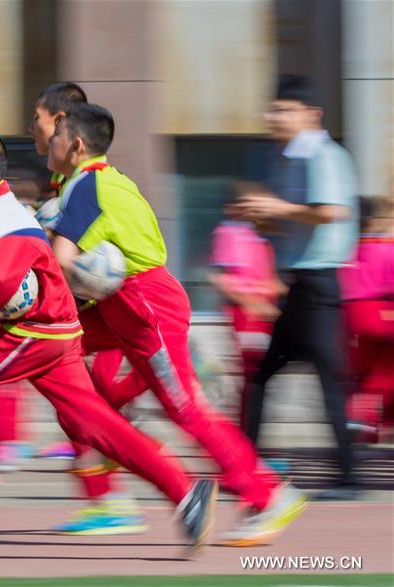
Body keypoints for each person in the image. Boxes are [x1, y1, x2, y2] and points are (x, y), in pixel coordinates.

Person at [0, 128, 217, 553]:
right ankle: (186, 492)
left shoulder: (2, 215)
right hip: (56, 331)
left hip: (38, 331)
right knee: (94, 424)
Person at [48, 103, 306, 546]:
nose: (47, 142)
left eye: (54, 135)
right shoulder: (108, 182)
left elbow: (59, 263)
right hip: (123, 305)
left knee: (185, 409)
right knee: (53, 349)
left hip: (145, 304)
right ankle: (114, 461)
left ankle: (269, 495)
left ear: (75, 145)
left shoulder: (85, 185)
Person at [30, 81, 147, 535]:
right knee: (79, 400)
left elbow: (75, 250)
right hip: (91, 306)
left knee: (86, 397)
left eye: (37, 121)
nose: (32, 130)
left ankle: (113, 495)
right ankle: (108, 492)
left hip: (111, 304)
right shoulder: (65, 177)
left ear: (61, 125)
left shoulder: (86, 178)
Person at [236, 75, 360, 500]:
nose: (275, 117)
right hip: (300, 288)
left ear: (311, 114)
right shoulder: (287, 158)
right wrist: (263, 219)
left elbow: (333, 211)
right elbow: (295, 220)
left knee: (324, 381)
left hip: (319, 284)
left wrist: (278, 207)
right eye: (273, 109)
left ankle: (349, 478)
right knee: (265, 378)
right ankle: (245, 465)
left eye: (285, 109)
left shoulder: (324, 155)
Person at [209, 185, 282, 427]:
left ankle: (250, 438)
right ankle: (246, 440)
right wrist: (254, 304)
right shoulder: (229, 233)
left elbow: (267, 278)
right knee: (253, 377)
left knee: (259, 378)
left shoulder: (256, 235)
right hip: (248, 315)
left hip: (264, 314)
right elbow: (221, 278)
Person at [338, 194, 394, 442]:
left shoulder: (345, 251)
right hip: (383, 314)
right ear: (372, 221)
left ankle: (363, 426)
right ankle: (382, 421)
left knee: (360, 374)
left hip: (351, 316)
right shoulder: (386, 248)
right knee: (385, 372)